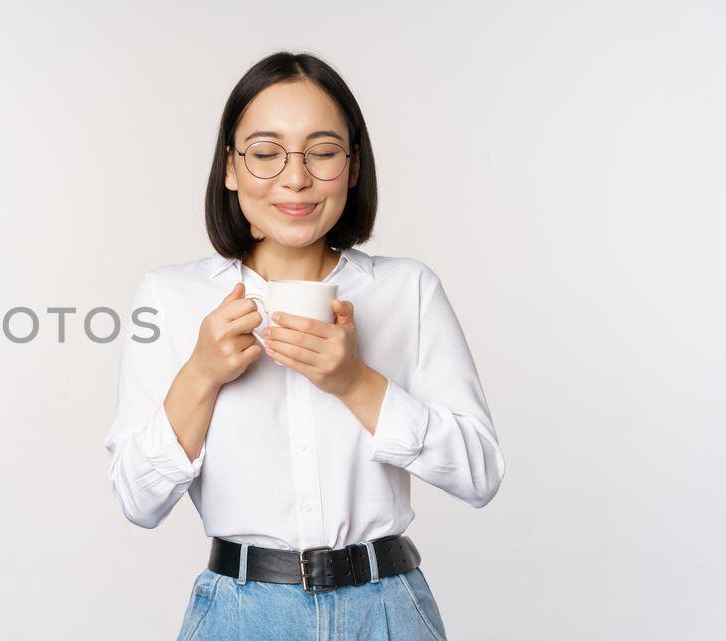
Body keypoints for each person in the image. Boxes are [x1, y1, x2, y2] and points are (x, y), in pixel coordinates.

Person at [103, 51, 504, 641]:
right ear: (231, 169)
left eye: (322, 151)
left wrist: (356, 384)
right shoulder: (171, 296)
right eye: (265, 154)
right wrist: (201, 373)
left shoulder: (407, 289)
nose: (296, 178)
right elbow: (139, 501)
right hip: (239, 614)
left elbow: (480, 475)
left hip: (387, 608)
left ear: (354, 165)